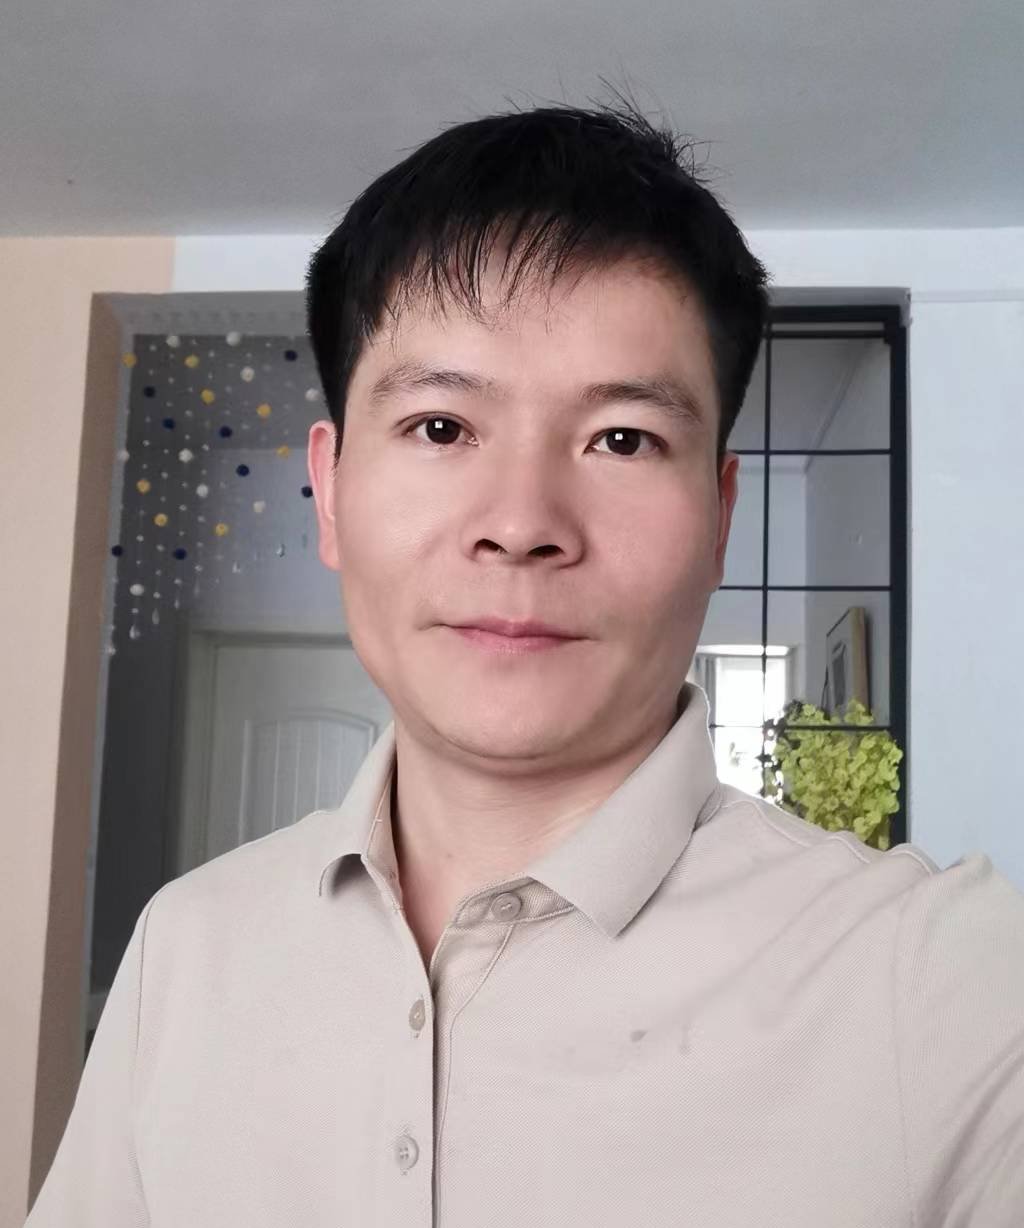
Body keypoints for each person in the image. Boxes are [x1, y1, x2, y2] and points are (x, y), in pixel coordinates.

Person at [27, 99, 1024, 1227]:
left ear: (719, 517)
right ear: (332, 490)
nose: (521, 523)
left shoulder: (944, 984)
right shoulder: (187, 951)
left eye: (621, 439)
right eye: (441, 427)